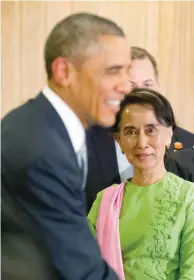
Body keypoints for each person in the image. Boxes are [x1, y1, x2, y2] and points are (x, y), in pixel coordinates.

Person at [1, 12, 131, 280]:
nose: (126, 86)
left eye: (127, 71)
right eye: (113, 71)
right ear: (64, 72)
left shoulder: (43, 125)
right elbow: (81, 268)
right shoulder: (40, 149)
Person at [88, 88, 194, 280]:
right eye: (130, 132)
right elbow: (84, 264)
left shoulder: (189, 197)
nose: (142, 142)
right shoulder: (105, 201)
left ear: (169, 134)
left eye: (151, 130)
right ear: (118, 140)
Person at [85, 46, 194, 212]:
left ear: (158, 87)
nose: (141, 94)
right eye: (131, 86)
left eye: (148, 84)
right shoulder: (84, 144)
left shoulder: (189, 145)